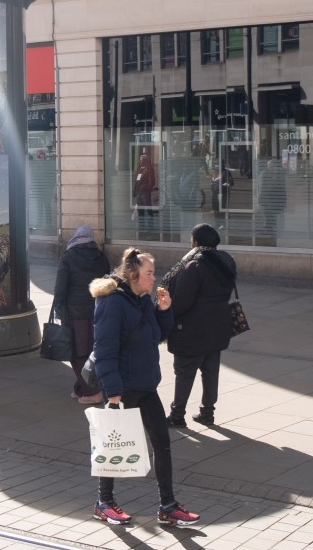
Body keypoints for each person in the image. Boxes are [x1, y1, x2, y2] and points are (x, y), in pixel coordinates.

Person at [90, 248, 199, 527]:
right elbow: (104, 349)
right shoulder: (112, 303)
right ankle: (104, 502)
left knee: (162, 444)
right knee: (113, 446)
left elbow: (156, 335)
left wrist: (163, 311)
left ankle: (168, 505)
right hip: (123, 387)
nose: (154, 278)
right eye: (150, 273)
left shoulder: (141, 300)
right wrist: (112, 390)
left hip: (146, 384)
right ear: (133, 274)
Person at [161, 224, 237, 427]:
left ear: (196, 241)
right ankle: (208, 413)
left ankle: (177, 415)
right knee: (211, 372)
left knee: (184, 372)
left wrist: (166, 314)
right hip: (218, 325)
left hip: (192, 328)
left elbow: (182, 300)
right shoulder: (225, 260)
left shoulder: (194, 265)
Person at [51, 226, 111, 404]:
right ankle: (81, 387)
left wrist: (59, 308)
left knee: (77, 353)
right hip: (97, 310)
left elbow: (60, 287)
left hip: (75, 313)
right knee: (93, 351)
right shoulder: (101, 257)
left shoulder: (68, 257)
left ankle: (92, 391)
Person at [259, 159, 287, 237]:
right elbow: (263, 188)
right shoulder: (266, 174)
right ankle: (270, 229)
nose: (272, 167)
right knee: (268, 215)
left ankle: (272, 230)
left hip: (271, 199)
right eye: (270, 165)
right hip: (267, 199)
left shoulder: (276, 175)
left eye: (273, 165)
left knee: (271, 215)